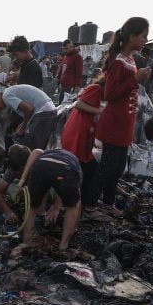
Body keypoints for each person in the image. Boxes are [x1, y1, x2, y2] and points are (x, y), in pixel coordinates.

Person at [95, 18, 152, 217]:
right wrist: (135, 79)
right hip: (115, 124)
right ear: (132, 37)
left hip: (124, 123)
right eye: (143, 36)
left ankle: (107, 203)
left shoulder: (130, 59)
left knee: (117, 168)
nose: (146, 40)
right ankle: (91, 205)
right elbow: (110, 94)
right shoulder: (119, 61)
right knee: (108, 168)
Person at [0, 144, 82, 251]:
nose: (18, 173)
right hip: (62, 170)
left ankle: (26, 242)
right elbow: (71, 195)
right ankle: (63, 246)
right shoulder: (16, 166)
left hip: (44, 169)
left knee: (31, 208)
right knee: (73, 206)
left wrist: (56, 207)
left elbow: (37, 151)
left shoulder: (37, 158)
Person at [60, 77, 105, 217]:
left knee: (87, 169)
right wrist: (100, 111)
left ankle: (79, 203)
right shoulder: (96, 88)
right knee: (83, 169)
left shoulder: (99, 93)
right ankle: (78, 204)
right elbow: (78, 104)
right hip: (77, 135)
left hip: (83, 136)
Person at [0, 84, 57, 150]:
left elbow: (29, 109)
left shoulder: (6, 97)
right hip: (49, 110)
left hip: (43, 111)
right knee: (39, 145)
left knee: (30, 146)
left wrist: (23, 127)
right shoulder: (9, 91)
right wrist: (24, 123)